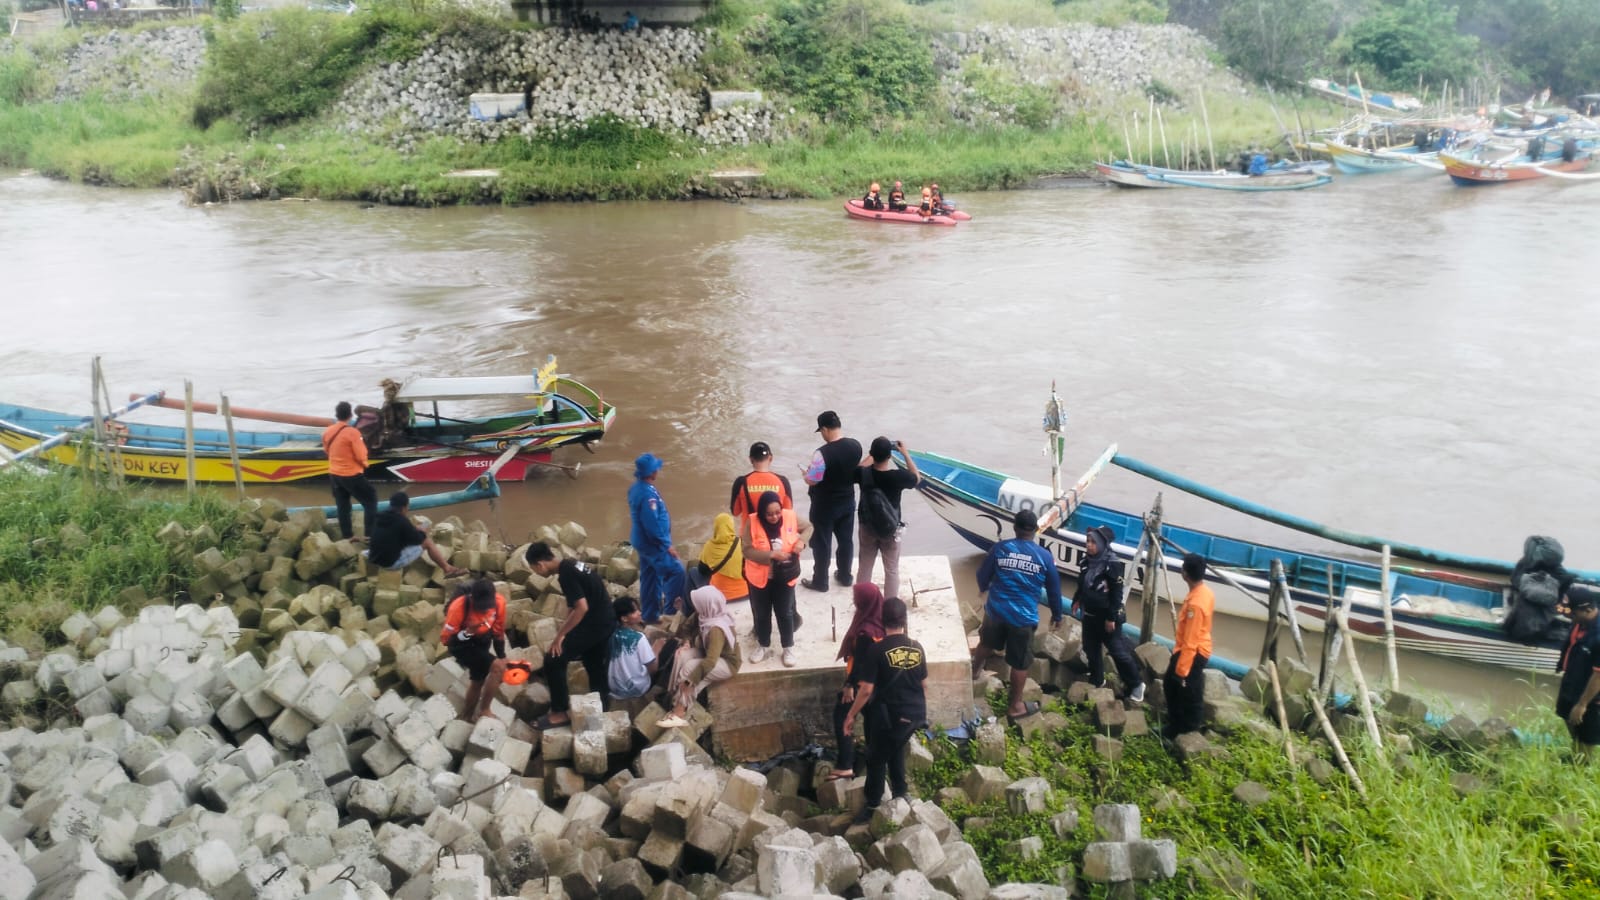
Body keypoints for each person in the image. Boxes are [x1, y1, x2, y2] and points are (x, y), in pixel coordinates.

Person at [972, 509, 1063, 723]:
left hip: (996, 611)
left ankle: (974, 672)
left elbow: (982, 574)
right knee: (1020, 664)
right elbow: (1054, 590)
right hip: (1023, 618)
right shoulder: (1044, 557)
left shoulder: (1001, 549)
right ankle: (1014, 706)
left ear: (1015, 527)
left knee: (986, 642)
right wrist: (1057, 615)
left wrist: (984, 587)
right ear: (1035, 531)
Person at [843, 597, 926, 822]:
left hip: (892, 716)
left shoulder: (878, 650)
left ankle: (872, 804)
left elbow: (867, 690)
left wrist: (851, 715)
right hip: (916, 715)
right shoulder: (916, 647)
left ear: (882, 620)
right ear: (904, 620)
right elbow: (924, 684)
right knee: (895, 746)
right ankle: (901, 791)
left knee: (876, 757)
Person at [526, 541, 617, 729]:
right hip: (606, 618)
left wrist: (560, 636)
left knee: (553, 658)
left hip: (595, 622)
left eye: (535, 570)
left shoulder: (566, 574)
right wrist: (567, 627)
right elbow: (573, 604)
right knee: (593, 661)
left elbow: (581, 608)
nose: (537, 574)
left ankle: (559, 713)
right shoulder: (572, 564)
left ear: (540, 564)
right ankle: (601, 704)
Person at [1074, 525, 1144, 702]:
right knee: (1091, 648)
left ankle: (1136, 684)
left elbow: (1117, 593)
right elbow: (1083, 584)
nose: (1088, 545)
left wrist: (1111, 618)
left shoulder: (1112, 564)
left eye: (1092, 542)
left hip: (1107, 617)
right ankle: (1098, 680)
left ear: (1102, 544)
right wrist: (1077, 600)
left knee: (1117, 652)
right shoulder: (1086, 562)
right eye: (1087, 541)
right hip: (1089, 615)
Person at [742, 490, 812, 666]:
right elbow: (747, 550)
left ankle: (788, 647)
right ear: (762, 513)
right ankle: (763, 645)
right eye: (769, 514)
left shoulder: (790, 516)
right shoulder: (752, 522)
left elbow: (809, 527)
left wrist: (801, 542)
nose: (774, 517)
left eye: (777, 512)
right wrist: (771, 555)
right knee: (762, 613)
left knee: (785, 613)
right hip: (760, 577)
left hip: (785, 575)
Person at [658, 585, 743, 728]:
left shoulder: (716, 629)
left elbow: (710, 661)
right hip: (707, 651)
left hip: (727, 662)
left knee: (690, 670)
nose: (695, 606)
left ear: (706, 604)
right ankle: (673, 695)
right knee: (682, 655)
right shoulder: (703, 614)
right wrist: (686, 643)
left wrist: (690, 680)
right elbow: (685, 628)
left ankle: (679, 712)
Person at [830, 583, 886, 781]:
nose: (854, 601)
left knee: (842, 716)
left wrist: (849, 686)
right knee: (872, 725)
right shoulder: (882, 620)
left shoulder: (865, 633)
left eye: (856, 598)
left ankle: (846, 764)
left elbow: (861, 665)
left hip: (863, 687)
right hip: (882, 686)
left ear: (863, 602)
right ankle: (874, 768)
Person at [802, 411, 862, 592]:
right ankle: (845, 576)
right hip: (848, 502)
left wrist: (806, 474)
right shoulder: (855, 446)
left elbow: (814, 480)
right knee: (846, 541)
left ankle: (820, 581)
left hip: (824, 506)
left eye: (821, 431)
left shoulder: (821, 453)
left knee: (822, 544)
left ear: (826, 429)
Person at [856, 437, 920, 601]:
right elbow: (916, 478)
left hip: (867, 527)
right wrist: (905, 453)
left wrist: (872, 454)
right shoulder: (898, 477)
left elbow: (858, 467)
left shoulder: (863, 474)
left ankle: (862, 603)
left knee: (865, 566)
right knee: (891, 569)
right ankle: (889, 605)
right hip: (890, 530)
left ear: (871, 453)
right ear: (889, 456)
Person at [440, 578, 507, 722]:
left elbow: (498, 632)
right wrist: (468, 632)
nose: (483, 610)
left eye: (487, 607)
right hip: (462, 646)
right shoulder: (458, 608)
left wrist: (502, 655)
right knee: (497, 668)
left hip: (482, 642)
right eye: (479, 607)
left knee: (478, 681)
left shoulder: (499, 603)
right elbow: (447, 641)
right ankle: (484, 710)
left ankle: (467, 716)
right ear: (471, 598)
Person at [1163, 553, 1215, 740]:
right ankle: (1177, 726)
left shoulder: (1196, 604)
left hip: (1193, 652)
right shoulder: (1204, 592)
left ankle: (1186, 731)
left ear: (1185, 573)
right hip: (1194, 648)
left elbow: (1191, 641)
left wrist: (1181, 671)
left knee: (1184, 690)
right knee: (1175, 686)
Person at [628, 452, 683, 624]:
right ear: (651, 472)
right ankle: (670, 613)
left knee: (650, 577)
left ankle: (650, 615)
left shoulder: (636, 488)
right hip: (653, 544)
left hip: (642, 542)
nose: (658, 471)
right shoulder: (648, 496)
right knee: (677, 572)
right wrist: (667, 545)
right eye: (656, 469)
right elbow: (652, 524)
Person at [366, 491, 467, 576]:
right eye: (408, 506)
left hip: (374, 557)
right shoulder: (401, 520)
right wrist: (422, 531)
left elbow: (394, 532)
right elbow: (418, 540)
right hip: (389, 563)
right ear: (405, 506)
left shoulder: (380, 516)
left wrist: (413, 529)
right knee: (427, 542)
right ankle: (447, 568)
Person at [322, 401, 377, 542]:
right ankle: (369, 535)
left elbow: (326, 450)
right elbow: (360, 454)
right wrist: (365, 464)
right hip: (351, 474)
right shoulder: (353, 433)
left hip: (334, 474)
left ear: (337, 415)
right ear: (350, 415)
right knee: (370, 500)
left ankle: (347, 536)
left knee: (343, 505)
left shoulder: (328, 431)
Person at [1557, 586, 1600, 758]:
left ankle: (1582, 768)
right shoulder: (1579, 622)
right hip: (1572, 683)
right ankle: (1574, 755)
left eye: (1572, 613)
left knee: (1587, 736)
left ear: (1588, 610)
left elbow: (1598, 675)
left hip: (1591, 696)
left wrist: (1582, 705)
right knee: (1568, 719)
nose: (1567, 617)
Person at [608, 598, 660, 701]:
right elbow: (653, 669)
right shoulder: (639, 638)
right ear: (624, 618)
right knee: (667, 649)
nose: (640, 613)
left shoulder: (611, 634)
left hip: (614, 688)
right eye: (635, 611)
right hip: (637, 689)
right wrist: (658, 648)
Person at [730, 441, 793, 518]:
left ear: (751, 460)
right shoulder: (783, 481)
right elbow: (788, 512)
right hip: (774, 530)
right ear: (770, 458)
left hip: (749, 529)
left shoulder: (741, 482)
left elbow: (735, 512)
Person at [696, 513, 748, 603]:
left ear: (716, 527)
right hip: (745, 593)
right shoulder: (742, 543)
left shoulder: (709, 546)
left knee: (693, 571)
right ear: (731, 526)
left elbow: (702, 570)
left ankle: (686, 612)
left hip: (720, 596)